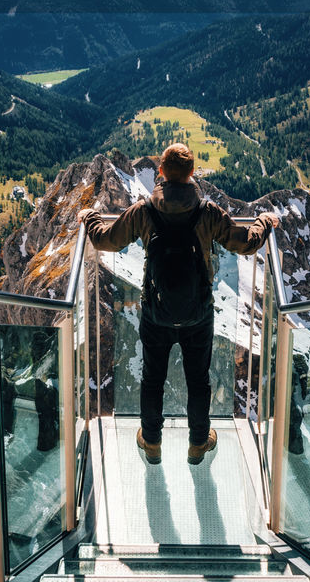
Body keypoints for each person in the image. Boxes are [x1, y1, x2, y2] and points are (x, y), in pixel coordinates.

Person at [78, 143, 279, 465]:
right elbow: (246, 245)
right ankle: (199, 443)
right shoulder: (208, 213)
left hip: (155, 313)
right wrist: (264, 223)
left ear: (161, 172)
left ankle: (152, 442)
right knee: (198, 380)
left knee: (152, 378)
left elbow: (105, 241)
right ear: (192, 174)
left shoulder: (144, 211)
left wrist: (89, 217)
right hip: (197, 314)